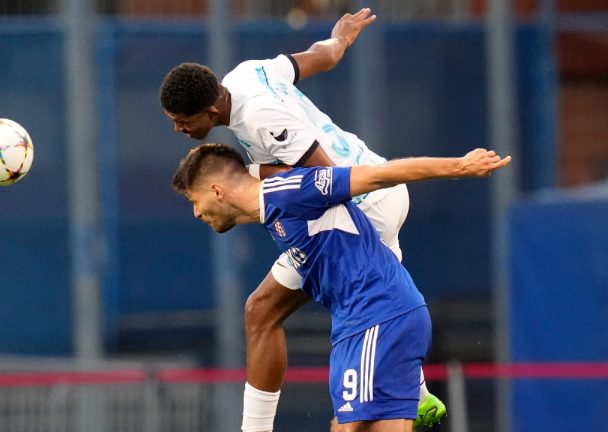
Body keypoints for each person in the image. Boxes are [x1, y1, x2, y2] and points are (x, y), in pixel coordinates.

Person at [160, 8, 445, 428]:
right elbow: (318, 56)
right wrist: (339, 39)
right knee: (263, 310)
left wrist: (247, 179)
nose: (179, 130)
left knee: (346, 310)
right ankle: (416, 393)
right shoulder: (244, 75)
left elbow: (327, 179)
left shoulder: (260, 121)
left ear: (207, 110)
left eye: (183, 122)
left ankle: (403, 397)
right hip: (377, 190)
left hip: (366, 203)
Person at [171, 143, 511, 432]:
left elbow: (379, 174)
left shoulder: (288, 192)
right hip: (368, 323)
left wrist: (459, 166)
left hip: (377, 318)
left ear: (217, 191)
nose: (197, 212)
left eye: (194, 201)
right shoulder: (271, 210)